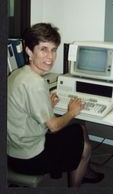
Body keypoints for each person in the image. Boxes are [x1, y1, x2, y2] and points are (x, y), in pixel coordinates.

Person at [7, 23, 104, 187]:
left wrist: (48, 105)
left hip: (14, 149)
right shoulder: (35, 83)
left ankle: (84, 169)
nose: (50, 57)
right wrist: (72, 111)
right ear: (29, 51)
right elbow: (53, 127)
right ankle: (78, 178)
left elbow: (28, 112)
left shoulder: (18, 74)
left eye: (53, 50)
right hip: (29, 157)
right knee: (83, 141)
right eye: (43, 49)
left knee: (79, 128)